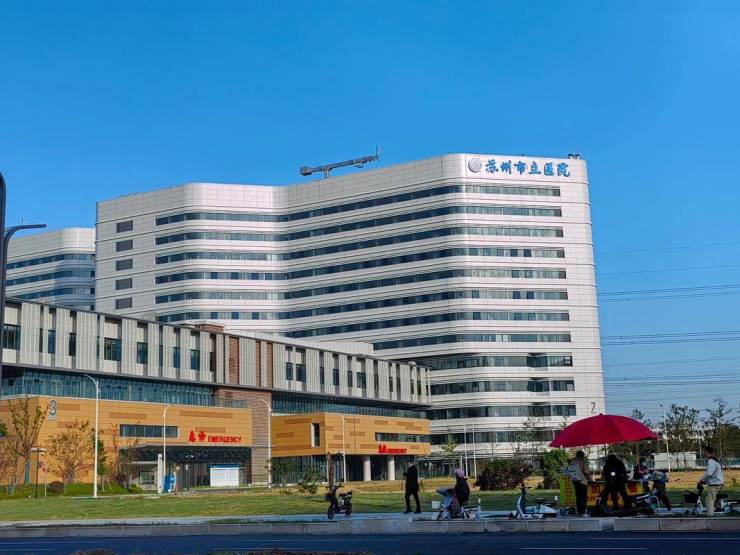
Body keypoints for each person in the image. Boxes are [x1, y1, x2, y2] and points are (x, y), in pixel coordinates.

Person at [698, 446, 724, 516]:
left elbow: (709, 473)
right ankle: (715, 513)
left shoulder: (711, 461)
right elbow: (713, 474)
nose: (703, 453)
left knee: (709, 501)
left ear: (706, 452)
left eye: (704, 451)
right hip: (719, 483)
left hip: (715, 485)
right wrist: (705, 481)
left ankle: (710, 517)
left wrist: (702, 480)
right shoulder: (715, 460)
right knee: (715, 501)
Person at [566, 450, 592, 516]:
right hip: (582, 481)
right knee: (583, 497)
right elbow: (586, 472)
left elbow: (569, 471)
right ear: (582, 455)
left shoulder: (572, 462)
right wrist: (590, 479)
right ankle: (583, 512)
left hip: (575, 481)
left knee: (578, 497)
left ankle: (579, 512)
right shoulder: (582, 462)